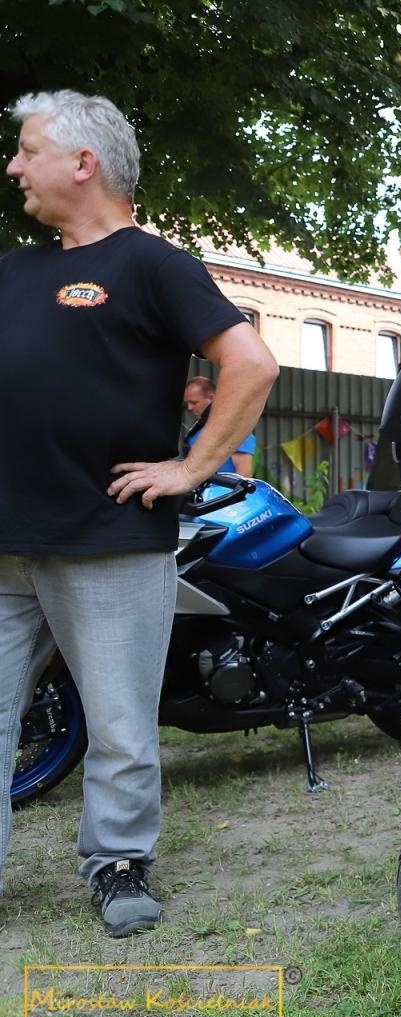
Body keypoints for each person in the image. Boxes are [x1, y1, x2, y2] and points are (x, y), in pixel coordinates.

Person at [0, 90, 279, 933]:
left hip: (111, 536)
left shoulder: (151, 264)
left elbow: (253, 365)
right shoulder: (12, 271)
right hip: (5, 539)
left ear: (82, 163)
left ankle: (118, 862)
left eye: (26, 149)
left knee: (121, 721)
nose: (13, 164)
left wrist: (191, 467)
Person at [182, 376, 256, 476]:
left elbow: (244, 474)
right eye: (187, 403)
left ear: (212, 398)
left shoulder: (234, 428)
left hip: (223, 491)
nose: (190, 408)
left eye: (194, 402)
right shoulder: (196, 431)